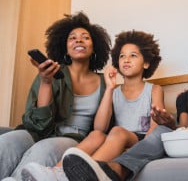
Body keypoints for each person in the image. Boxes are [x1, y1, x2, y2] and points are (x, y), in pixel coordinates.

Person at [61, 44, 188, 181]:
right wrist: (169, 124)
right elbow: (182, 129)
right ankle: (115, 170)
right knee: (162, 131)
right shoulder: (183, 98)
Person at [21, 30, 164, 181]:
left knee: (117, 131)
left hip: (140, 139)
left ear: (147, 63)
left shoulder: (154, 90)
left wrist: (138, 151)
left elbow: (156, 126)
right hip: (114, 138)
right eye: (122, 56)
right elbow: (100, 128)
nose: (126, 60)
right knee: (96, 135)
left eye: (133, 55)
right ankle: (57, 172)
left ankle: (90, 170)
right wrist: (109, 89)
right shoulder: (113, 91)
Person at [0, 11, 111, 180]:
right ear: (64, 47)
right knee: (10, 140)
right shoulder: (50, 72)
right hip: (38, 132)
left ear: (94, 46)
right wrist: (46, 82)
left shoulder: (106, 82)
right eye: (72, 38)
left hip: (73, 139)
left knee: (45, 148)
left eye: (85, 37)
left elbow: (103, 129)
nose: (79, 40)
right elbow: (38, 125)